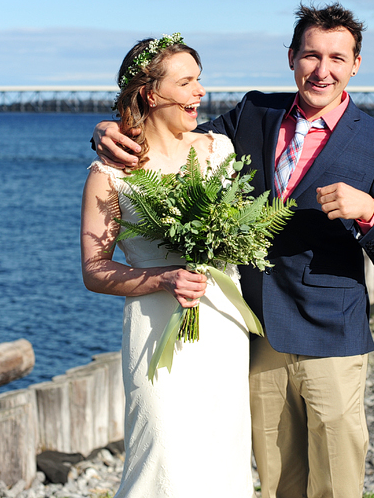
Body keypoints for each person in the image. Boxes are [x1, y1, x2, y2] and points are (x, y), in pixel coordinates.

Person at [93, 3, 374, 498]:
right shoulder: (252, 114)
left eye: (336, 57)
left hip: (331, 337)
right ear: (291, 58)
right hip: (252, 335)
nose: (321, 69)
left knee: (336, 486)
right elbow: (169, 138)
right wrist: (106, 131)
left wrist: (368, 211)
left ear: (355, 65)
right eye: (310, 55)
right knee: (270, 484)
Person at [80, 35, 255, 498]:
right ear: (150, 94)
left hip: (220, 319)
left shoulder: (221, 150)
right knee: (160, 451)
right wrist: (161, 277)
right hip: (154, 325)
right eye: (186, 82)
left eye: (200, 80)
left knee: (223, 450)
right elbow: (94, 269)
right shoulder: (110, 171)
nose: (200, 92)